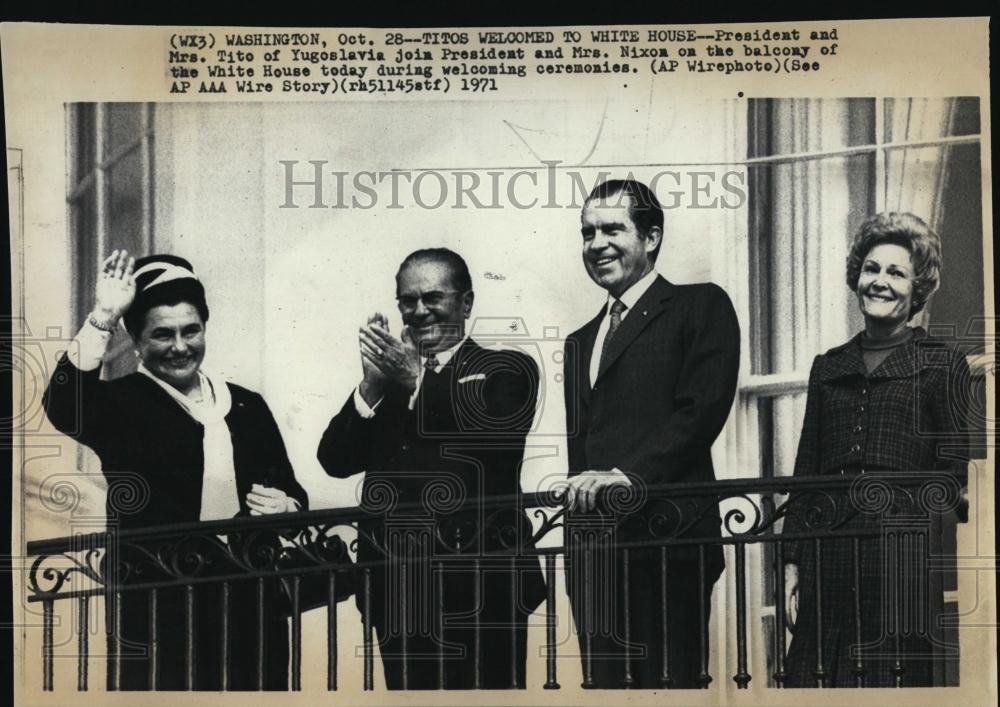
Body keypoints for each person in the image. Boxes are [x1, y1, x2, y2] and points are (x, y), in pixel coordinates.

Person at [43, 251, 308, 689]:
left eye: (191, 330)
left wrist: (287, 506)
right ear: (136, 340)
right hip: (158, 611)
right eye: (162, 334)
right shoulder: (121, 404)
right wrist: (104, 316)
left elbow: (292, 491)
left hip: (251, 608)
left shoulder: (247, 405)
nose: (180, 347)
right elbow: (62, 405)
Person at [317, 248, 545, 689]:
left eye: (433, 298)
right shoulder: (392, 384)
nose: (419, 311)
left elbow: (495, 442)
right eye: (408, 300)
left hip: (483, 593)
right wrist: (371, 385)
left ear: (466, 303)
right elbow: (335, 460)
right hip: (396, 594)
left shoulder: (506, 368)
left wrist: (418, 381)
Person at [561, 179, 741, 688]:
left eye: (612, 229)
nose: (597, 244)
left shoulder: (699, 306)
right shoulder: (579, 341)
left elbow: (701, 411)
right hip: (595, 561)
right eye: (588, 232)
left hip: (668, 546)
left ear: (652, 237)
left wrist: (627, 475)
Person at [782, 212, 971, 687]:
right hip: (828, 556)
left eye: (896, 273)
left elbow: (954, 476)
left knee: (892, 682)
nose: (880, 282)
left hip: (899, 561)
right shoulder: (828, 367)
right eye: (871, 269)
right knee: (817, 681)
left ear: (917, 288)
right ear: (857, 277)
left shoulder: (942, 364)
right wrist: (792, 564)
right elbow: (806, 474)